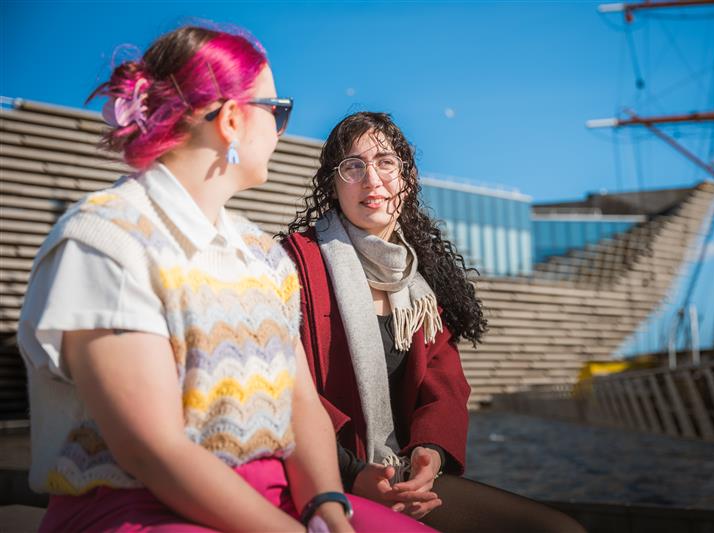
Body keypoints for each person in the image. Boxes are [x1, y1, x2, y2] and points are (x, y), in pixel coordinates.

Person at [17, 27, 435, 533]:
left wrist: (327, 507)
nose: (281, 130)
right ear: (234, 120)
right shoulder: (106, 241)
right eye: (278, 111)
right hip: (140, 508)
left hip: (283, 498)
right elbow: (153, 451)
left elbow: (301, 405)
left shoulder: (260, 254)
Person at [282, 112, 586, 532]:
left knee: (559, 530)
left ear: (406, 179)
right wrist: (354, 473)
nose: (372, 179)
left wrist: (431, 453)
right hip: (320, 476)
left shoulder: (420, 285)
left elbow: (443, 385)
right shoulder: (293, 265)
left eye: (386, 162)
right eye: (353, 166)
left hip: (403, 477)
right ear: (333, 185)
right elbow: (282, 390)